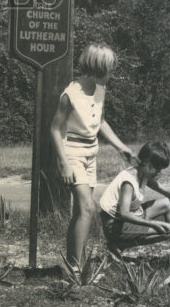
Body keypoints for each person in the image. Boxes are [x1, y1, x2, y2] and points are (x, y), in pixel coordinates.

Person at [50, 43, 134, 272]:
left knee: (80, 211)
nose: (112, 75)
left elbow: (101, 122)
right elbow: (55, 129)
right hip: (72, 154)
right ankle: (77, 268)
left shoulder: (100, 89)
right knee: (88, 207)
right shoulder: (70, 94)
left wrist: (120, 147)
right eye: (110, 70)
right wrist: (64, 164)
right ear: (98, 68)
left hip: (91, 154)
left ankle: (71, 263)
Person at [99, 142, 170, 256]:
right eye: (157, 169)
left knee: (167, 203)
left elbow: (165, 190)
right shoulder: (128, 182)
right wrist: (152, 224)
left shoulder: (142, 173)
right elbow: (124, 213)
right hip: (114, 225)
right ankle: (118, 245)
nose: (159, 173)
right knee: (167, 230)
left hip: (128, 218)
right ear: (147, 163)